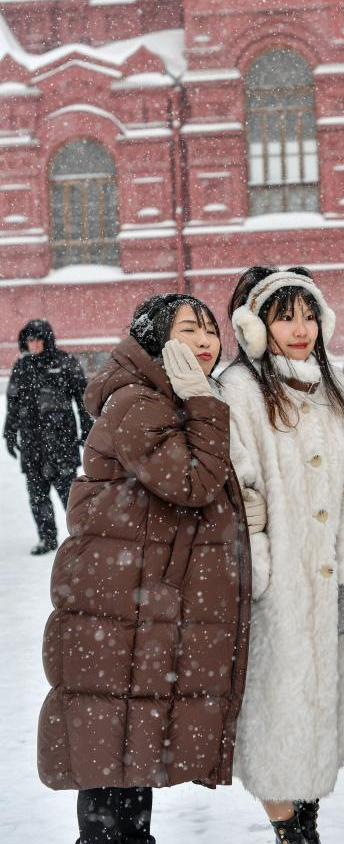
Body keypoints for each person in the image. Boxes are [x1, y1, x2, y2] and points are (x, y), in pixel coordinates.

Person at [37, 293, 255, 844]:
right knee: (113, 762)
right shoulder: (142, 400)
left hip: (130, 603)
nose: (206, 341)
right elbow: (191, 483)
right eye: (190, 329)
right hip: (117, 609)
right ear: (156, 337)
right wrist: (205, 402)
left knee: (123, 758)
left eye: (211, 330)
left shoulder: (160, 396)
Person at [221, 266, 344, 844]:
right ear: (258, 326)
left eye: (309, 314)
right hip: (274, 591)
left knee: (316, 718)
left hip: (328, 583)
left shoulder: (336, 388)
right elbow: (239, 478)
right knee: (272, 718)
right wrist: (260, 572)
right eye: (285, 316)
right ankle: (290, 830)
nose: (301, 327)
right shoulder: (240, 388)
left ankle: (305, 823)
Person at [3, 319, 92, 555]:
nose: (33, 345)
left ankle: (83, 537)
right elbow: (13, 403)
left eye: (37, 339)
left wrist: (87, 429)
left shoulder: (64, 363)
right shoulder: (22, 367)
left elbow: (83, 400)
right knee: (37, 496)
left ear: (47, 340)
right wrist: (10, 433)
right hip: (32, 445)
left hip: (61, 443)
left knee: (69, 496)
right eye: (29, 340)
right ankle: (47, 538)